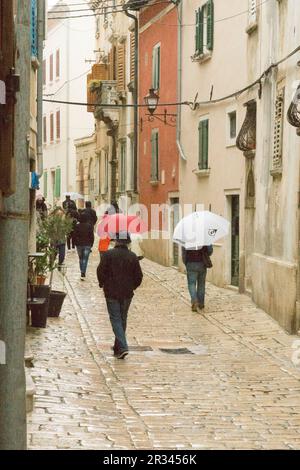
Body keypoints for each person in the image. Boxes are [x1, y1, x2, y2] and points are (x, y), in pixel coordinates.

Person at [97, 231, 143, 359]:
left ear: (116, 241)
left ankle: (122, 346)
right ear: (128, 242)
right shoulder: (133, 256)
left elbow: (100, 271)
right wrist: (133, 286)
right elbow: (139, 276)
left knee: (116, 319)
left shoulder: (108, 255)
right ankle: (118, 348)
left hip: (111, 292)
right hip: (127, 293)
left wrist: (102, 284)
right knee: (122, 319)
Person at [182, 245, 213, 313]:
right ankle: (201, 304)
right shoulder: (205, 236)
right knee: (201, 284)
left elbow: (184, 253)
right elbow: (210, 251)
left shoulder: (187, 237)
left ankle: (194, 300)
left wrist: (186, 263)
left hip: (190, 263)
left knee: (191, 284)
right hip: (202, 263)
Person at [73, 212, 94, 280]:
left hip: (79, 245)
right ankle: (83, 272)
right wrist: (91, 244)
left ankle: (82, 270)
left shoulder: (77, 226)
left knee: (81, 258)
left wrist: (75, 243)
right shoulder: (89, 226)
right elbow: (92, 236)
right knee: (85, 259)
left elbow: (74, 236)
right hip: (87, 244)